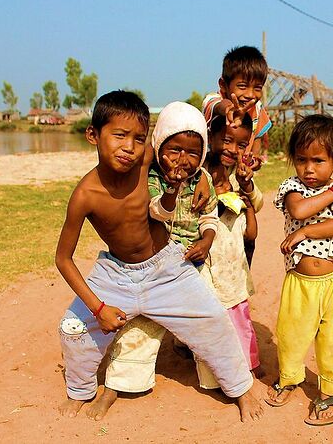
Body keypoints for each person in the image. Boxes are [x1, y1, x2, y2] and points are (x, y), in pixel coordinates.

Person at [55, 91, 263, 422]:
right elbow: (63, 259)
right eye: (119, 135)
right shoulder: (84, 195)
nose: (129, 147)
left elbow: (182, 130)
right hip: (115, 273)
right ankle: (80, 390)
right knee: (72, 328)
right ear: (93, 135)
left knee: (214, 321)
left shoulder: (146, 161)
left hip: (167, 267)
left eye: (139, 139)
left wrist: (203, 177)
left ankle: (240, 388)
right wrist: (98, 308)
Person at [93, 100, 221, 414]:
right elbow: (156, 210)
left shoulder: (201, 179)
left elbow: (210, 216)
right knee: (140, 327)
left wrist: (206, 239)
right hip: (157, 268)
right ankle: (119, 384)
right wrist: (172, 190)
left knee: (209, 320)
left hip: (195, 264)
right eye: (174, 150)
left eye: (193, 153)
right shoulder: (149, 178)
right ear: (159, 145)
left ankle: (218, 378)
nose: (182, 159)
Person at [265, 114, 333, 426]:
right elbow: (299, 209)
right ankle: (290, 377)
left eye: (318, 160)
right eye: (301, 159)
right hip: (300, 280)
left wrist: (305, 233)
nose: (309, 169)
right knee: (291, 333)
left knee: (332, 337)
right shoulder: (292, 187)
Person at [193, 114, 265, 389]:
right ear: (211, 137)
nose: (232, 149)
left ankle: (250, 364)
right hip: (207, 265)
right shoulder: (199, 174)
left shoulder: (239, 178)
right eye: (226, 140)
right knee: (211, 319)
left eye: (241, 144)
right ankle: (214, 373)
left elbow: (255, 211)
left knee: (240, 318)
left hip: (234, 265)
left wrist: (244, 192)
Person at [202, 45, 272, 266]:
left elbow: (256, 149)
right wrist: (228, 109)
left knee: (240, 242)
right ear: (224, 85)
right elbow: (216, 105)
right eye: (242, 86)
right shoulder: (216, 101)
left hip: (236, 178)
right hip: (210, 175)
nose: (249, 95)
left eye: (257, 88)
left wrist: (254, 163)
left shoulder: (258, 112)